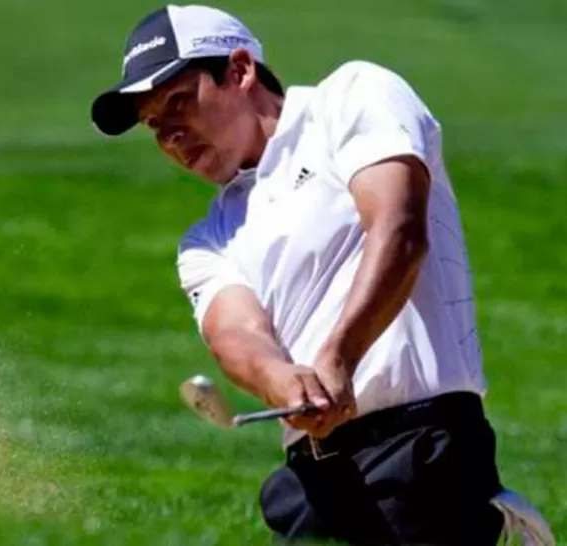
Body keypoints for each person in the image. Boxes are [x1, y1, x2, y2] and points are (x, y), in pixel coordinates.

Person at [89, 4, 555, 545]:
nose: (169, 134)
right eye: (153, 124)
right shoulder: (207, 238)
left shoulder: (351, 97)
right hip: (314, 483)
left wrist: (340, 356)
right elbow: (234, 332)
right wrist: (278, 378)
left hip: (422, 453)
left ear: (239, 70)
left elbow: (399, 230)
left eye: (178, 101)